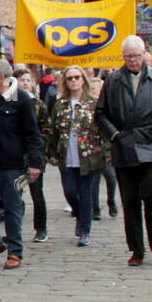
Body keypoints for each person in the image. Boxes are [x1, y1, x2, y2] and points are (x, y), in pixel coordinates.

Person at [94, 35, 152, 267]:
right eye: (128, 56)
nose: (133, 60)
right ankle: (137, 248)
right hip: (125, 146)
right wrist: (114, 135)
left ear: (144, 54)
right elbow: (100, 114)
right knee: (130, 200)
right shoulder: (113, 80)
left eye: (136, 55)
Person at [0, 60, 43, 270]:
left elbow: (33, 134)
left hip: (13, 165)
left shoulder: (20, 99)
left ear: (1, 78)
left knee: (12, 208)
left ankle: (15, 252)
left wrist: (34, 163)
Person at [43, 65, 105, 247]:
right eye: (70, 78)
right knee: (70, 191)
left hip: (88, 154)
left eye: (77, 77)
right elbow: (52, 130)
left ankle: (84, 230)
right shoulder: (60, 104)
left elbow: (102, 129)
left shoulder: (92, 103)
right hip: (66, 153)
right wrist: (51, 152)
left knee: (85, 192)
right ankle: (79, 215)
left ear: (83, 80)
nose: (74, 81)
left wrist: (106, 152)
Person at [14, 68, 49, 242]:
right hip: (15, 155)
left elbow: (46, 129)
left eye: (28, 80)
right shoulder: (9, 102)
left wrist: (40, 151)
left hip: (34, 154)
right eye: (22, 80)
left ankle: (41, 228)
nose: (25, 83)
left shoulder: (38, 104)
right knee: (15, 193)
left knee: (37, 193)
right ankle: (15, 229)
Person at [86, 75, 119, 220]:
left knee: (111, 178)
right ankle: (95, 208)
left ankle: (111, 200)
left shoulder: (109, 107)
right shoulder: (86, 106)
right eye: (92, 89)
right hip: (92, 149)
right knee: (94, 180)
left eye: (97, 89)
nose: (95, 92)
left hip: (107, 150)